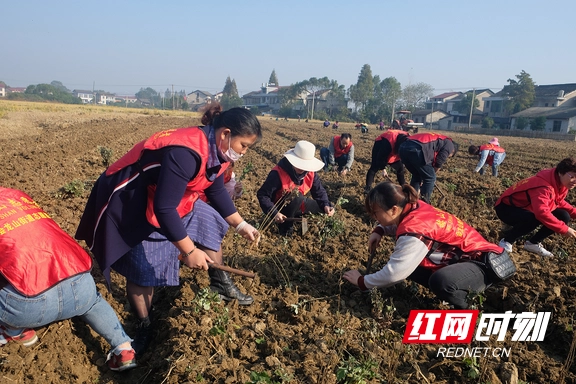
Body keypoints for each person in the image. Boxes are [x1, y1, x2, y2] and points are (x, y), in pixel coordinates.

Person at [75, 103, 262, 356]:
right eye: (244, 146)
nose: (244, 153)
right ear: (226, 134)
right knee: (143, 267)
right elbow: (164, 209)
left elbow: (215, 189)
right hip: (130, 194)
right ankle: (144, 325)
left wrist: (240, 224)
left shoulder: (218, 151)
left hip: (167, 196)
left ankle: (220, 283)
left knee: (208, 220)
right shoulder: (186, 152)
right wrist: (190, 250)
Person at [0, 187, 136, 371]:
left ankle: (15, 330)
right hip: (79, 285)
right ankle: (124, 348)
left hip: (29, 307)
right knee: (94, 302)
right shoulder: (16, 196)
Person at [343, 182, 505, 309]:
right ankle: (457, 287)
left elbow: (394, 274)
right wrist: (380, 230)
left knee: (441, 281)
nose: (373, 216)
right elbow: (399, 223)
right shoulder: (414, 206)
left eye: (375, 213)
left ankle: (465, 309)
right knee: (413, 268)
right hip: (470, 259)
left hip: (486, 264)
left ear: (393, 209)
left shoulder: (415, 231)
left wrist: (362, 282)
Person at [494, 157, 576, 257]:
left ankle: (533, 243)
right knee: (534, 218)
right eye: (572, 176)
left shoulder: (560, 183)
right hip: (506, 208)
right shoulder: (543, 186)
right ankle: (507, 241)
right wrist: (564, 229)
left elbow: (557, 201)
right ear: (560, 172)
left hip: (526, 207)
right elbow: (541, 213)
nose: (574, 181)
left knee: (563, 216)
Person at [257, 141, 335, 236]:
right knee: (296, 197)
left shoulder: (311, 173)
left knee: (326, 208)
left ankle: (299, 221)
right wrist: (274, 213)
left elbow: (319, 191)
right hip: (281, 209)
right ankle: (286, 229)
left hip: (300, 204)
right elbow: (263, 195)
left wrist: (326, 205)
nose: (301, 168)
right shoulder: (277, 174)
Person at [398, 132, 459, 203]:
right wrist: (431, 174)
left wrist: (424, 176)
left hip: (403, 148)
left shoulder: (439, 138)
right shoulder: (450, 145)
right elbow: (439, 161)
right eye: (449, 156)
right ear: (453, 151)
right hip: (417, 149)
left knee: (417, 175)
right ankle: (424, 203)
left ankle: (411, 199)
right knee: (430, 178)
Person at [364, 129, 410, 194]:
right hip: (380, 144)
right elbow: (381, 157)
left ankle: (403, 187)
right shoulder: (388, 142)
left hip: (394, 147)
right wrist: (383, 169)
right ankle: (368, 187)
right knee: (374, 167)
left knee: (400, 168)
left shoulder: (408, 141)